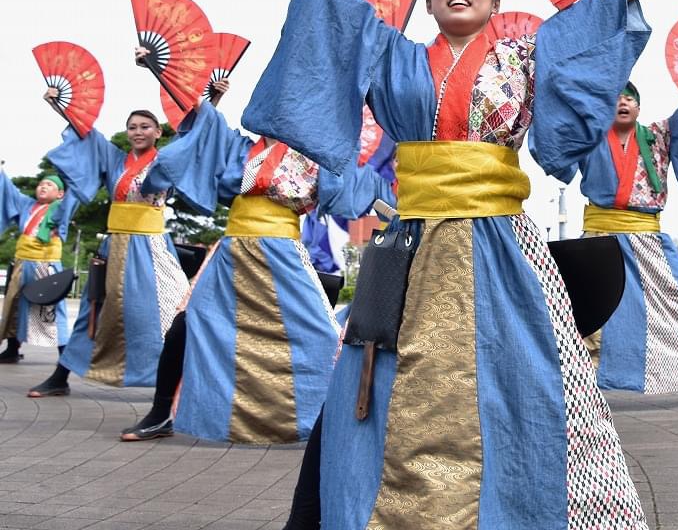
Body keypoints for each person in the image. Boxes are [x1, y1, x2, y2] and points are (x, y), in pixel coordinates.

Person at [247, 0, 678, 530]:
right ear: (427, 1)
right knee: (365, 374)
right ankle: (313, 518)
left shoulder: (526, 56)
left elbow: (597, 10)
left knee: (532, 373)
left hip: (501, 244)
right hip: (410, 240)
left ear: (496, 0)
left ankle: (534, 515)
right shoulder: (390, 53)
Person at [117, 80, 394, 444]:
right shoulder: (239, 148)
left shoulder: (315, 151)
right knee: (185, 325)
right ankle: (159, 413)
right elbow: (205, 131)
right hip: (232, 249)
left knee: (324, 333)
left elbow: (349, 185)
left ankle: (344, 419)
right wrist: (183, 84)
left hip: (281, 251)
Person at [575, 62, 678, 406]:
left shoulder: (659, 135)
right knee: (588, 312)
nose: (622, 101)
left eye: (629, 97)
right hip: (600, 236)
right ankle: (579, 383)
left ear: (639, 106)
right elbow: (558, 125)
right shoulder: (589, 137)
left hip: (647, 236)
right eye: (615, 97)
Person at [28, 99, 188, 397]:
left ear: (157, 133)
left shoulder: (165, 159)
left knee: (169, 311)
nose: (138, 132)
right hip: (114, 245)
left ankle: (176, 382)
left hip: (152, 248)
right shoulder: (115, 160)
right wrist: (61, 107)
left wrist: (213, 100)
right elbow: (89, 134)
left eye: (145, 127)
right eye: (132, 127)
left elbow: (191, 139)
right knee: (94, 310)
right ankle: (60, 376)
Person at [0, 171, 77, 362]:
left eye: (49, 185)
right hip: (22, 262)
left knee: (50, 310)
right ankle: (12, 350)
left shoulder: (61, 207)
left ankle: (64, 356)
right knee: (14, 305)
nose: (43, 186)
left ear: (60, 194)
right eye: (41, 184)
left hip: (46, 264)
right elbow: (10, 191)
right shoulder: (27, 205)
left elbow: (75, 193)